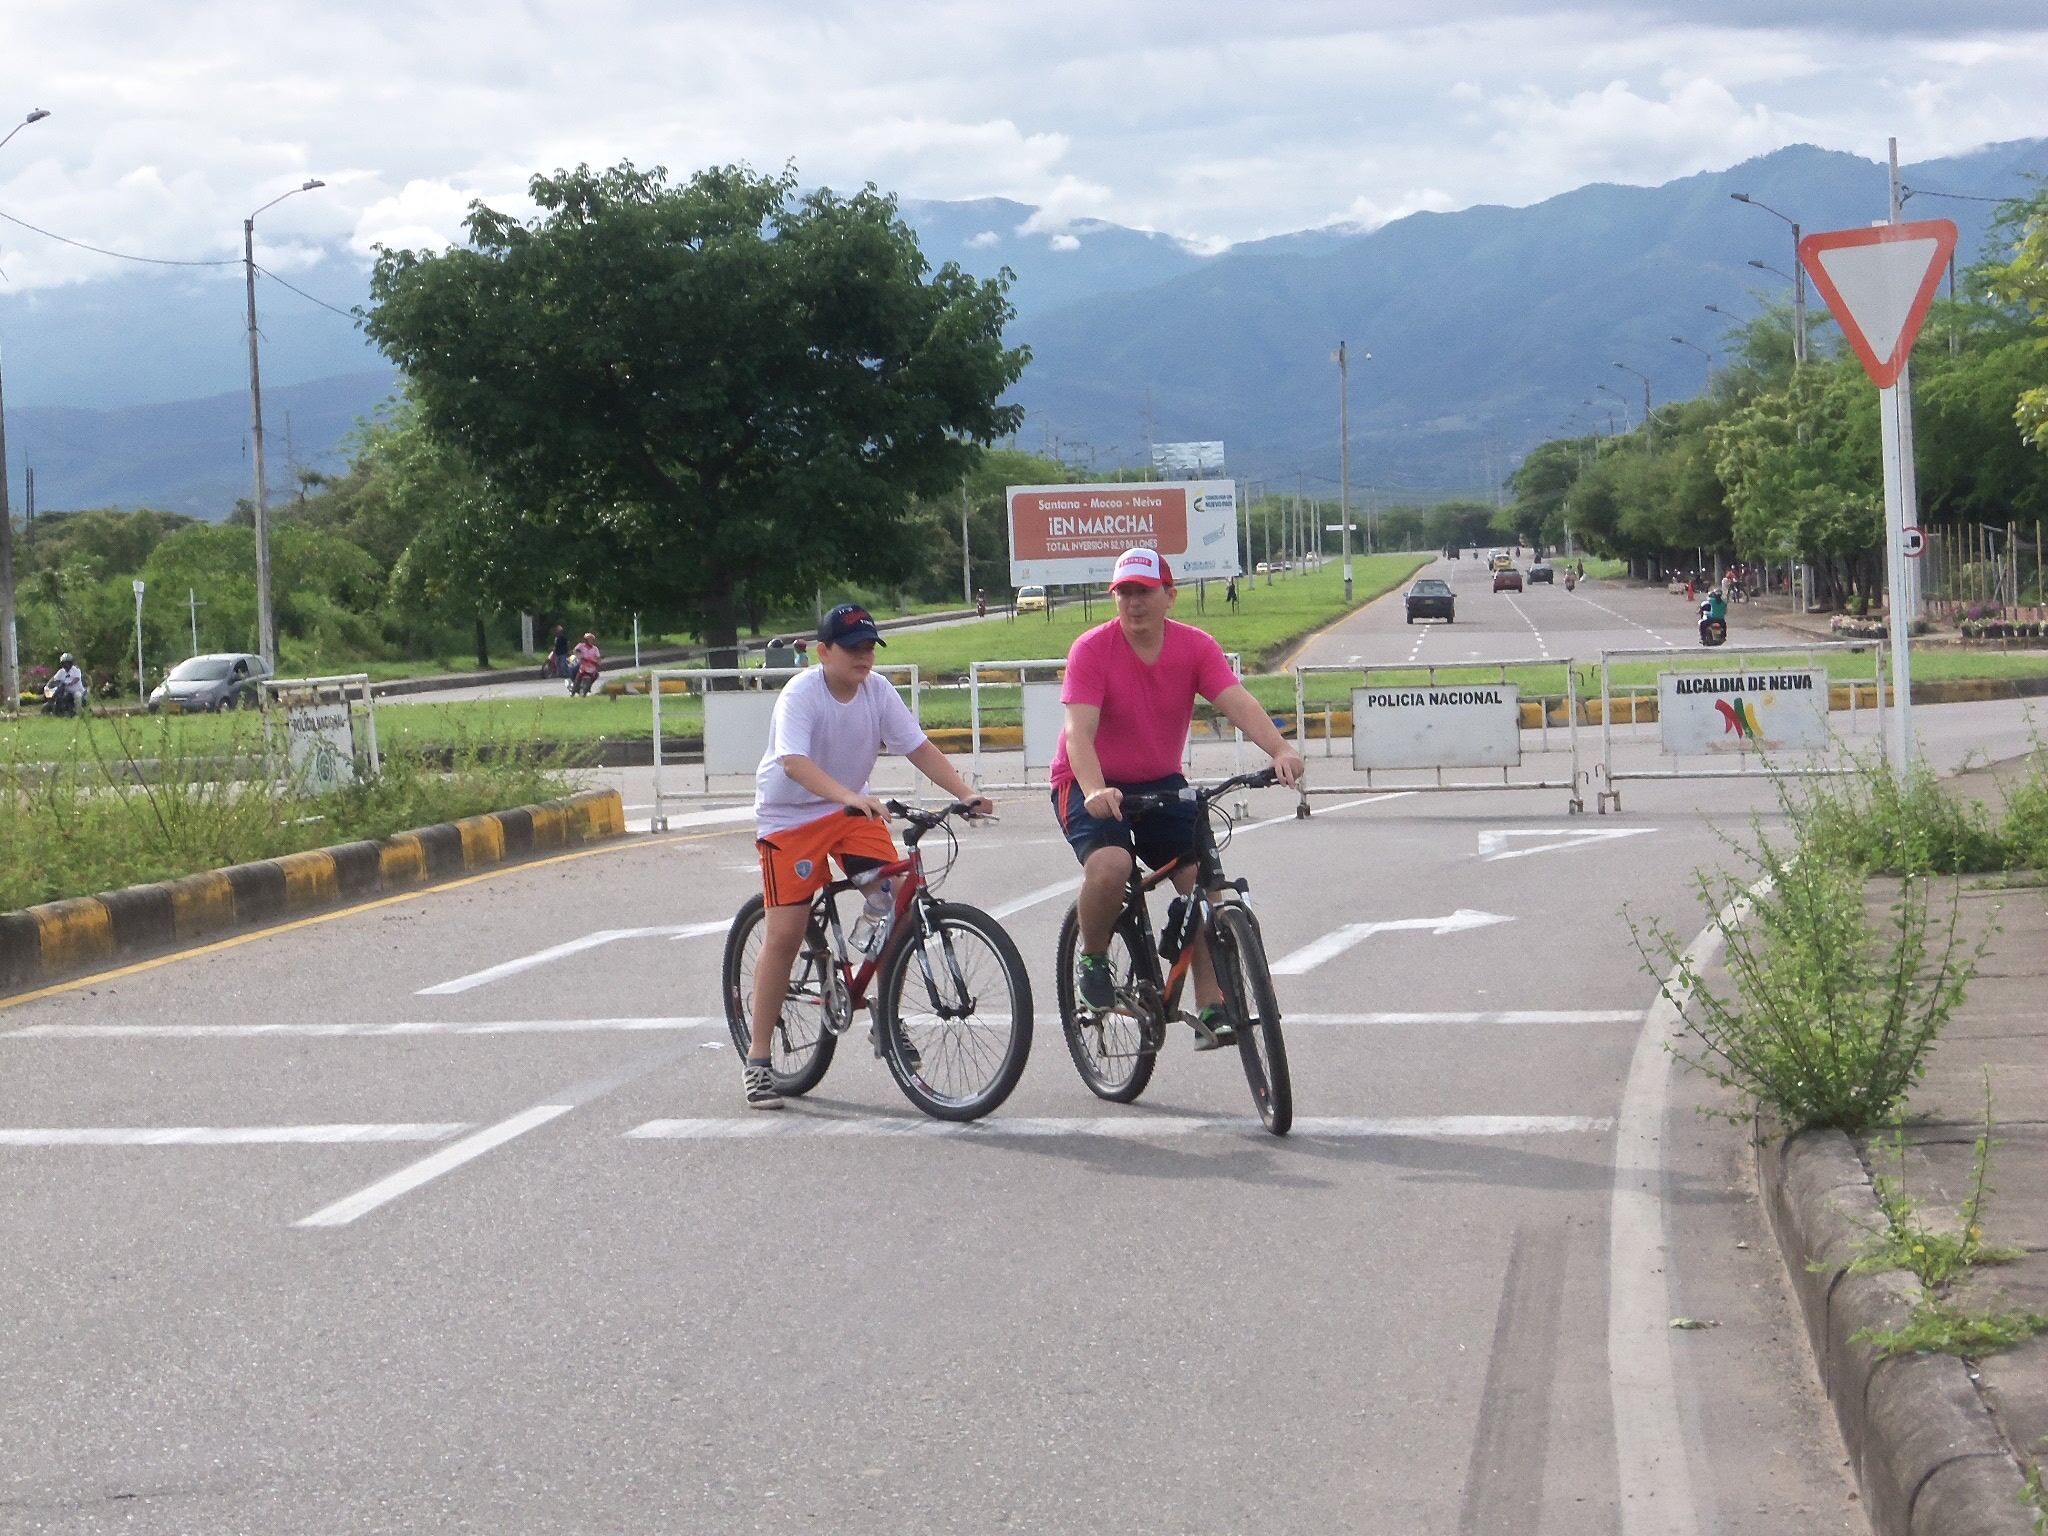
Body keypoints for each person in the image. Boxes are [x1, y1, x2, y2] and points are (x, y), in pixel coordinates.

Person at [741, 603, 994, 1109]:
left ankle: (886, 1017)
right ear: (824, 651)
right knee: (786, 932)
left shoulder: (877, 691)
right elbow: (792, 762)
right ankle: (759, 1060)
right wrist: (847, 796)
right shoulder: (802, 693)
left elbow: (918, 747)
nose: (864, 657)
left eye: (870, 648)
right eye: (853, 648)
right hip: (790, 817)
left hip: (850, 810)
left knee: (897, 898)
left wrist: (965, 794)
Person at [1053, 547, 1304, 1051]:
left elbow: (1236, 702)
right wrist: (1095, 788)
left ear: (1170, 595)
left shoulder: (1194, 647)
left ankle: (1212, 1005)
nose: (1134, 603)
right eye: (1124, 592)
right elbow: (1078, 732)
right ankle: (1093, 960)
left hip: (1161, 781)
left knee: (1201, 884)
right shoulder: (1093, 649)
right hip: (1088, 781)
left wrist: (1279, 749)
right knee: (1112, 865)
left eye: (1144, 592)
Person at [44, 652, 86, 716]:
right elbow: (54, 679)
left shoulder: (76, 670)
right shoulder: (61, 671)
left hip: (77, 690)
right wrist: (48, 685)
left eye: (67, 663)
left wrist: (70, 683)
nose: (66, 664)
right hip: (66, 691)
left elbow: (77, 679)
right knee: (58, 696)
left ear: (71, 663)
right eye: (64, 663)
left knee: (77, 696)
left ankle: (79, 714)